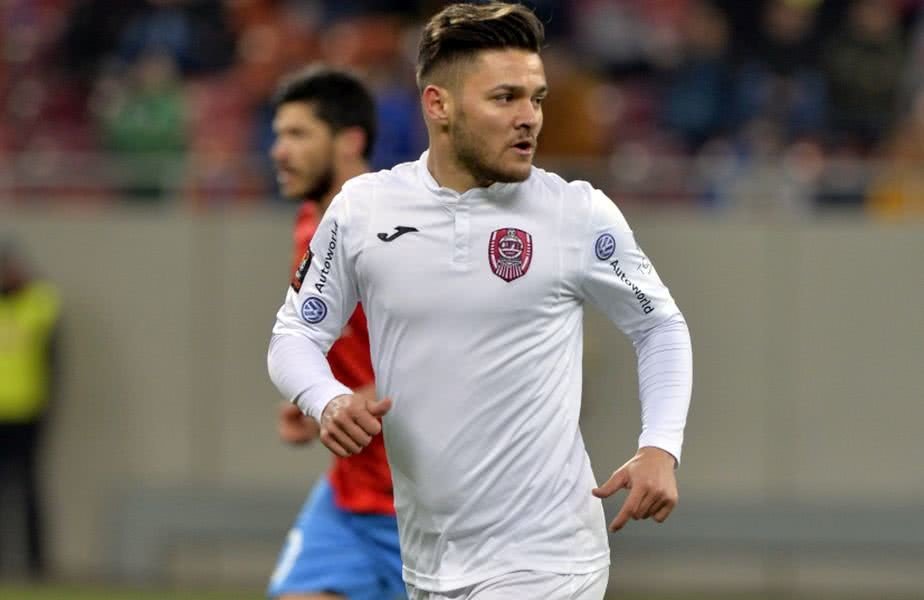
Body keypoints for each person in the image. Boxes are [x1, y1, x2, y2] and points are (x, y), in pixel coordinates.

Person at [267, 3, 693, 599]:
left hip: (548, 559)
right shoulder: (364, 210)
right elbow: (294, 336)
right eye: (504, 98)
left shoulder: (576, 212)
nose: (529, 118)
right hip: (428, 559)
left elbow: (659, 326)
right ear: (438, 104)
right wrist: (327, 399)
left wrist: (660, 447)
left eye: (536, 98)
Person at [265, 66, 405, 600]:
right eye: (279, 135)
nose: (279, 151)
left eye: (298, 134)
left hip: (434, 502)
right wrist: (315, 401)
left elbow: (461, 361)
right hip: (352, 497)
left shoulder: (400, 233)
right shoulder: (311, 224)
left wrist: (356, 401)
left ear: (350, 141)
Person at [0, 239, 60, 578]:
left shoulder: (40, 303)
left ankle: (36, 564)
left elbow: (54, 360)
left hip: (27, 411)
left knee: (28, 489)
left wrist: (49, 403)